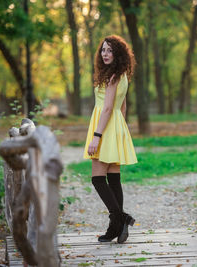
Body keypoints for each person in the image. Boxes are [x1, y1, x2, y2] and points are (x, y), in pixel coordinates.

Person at [83, 35, 137, 244]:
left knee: (98, 178)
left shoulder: (113, 76)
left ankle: (120, 219)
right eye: (103, 50)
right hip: (114, 126)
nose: (105, 54)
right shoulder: (122, 74)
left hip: (104, 127)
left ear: (118, 54)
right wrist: (120, 130)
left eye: (110, 50)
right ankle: (116, 226)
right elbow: (122, 106)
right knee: (114, 179)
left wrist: (97, 136)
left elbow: (107, 108)